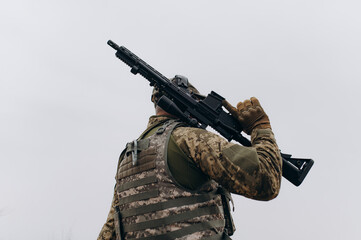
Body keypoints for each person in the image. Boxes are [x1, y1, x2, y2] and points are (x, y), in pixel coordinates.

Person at [98, 76, 282, 240]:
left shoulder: (130, 155)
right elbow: (266, 181)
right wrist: (261, 127)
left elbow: (111, 230)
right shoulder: (191, 139)